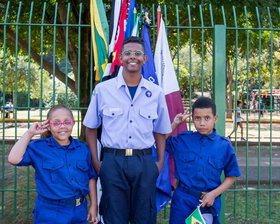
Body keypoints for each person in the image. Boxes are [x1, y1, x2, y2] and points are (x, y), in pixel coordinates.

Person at [83, 36, 172, 224]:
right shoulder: (103, 90)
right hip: (112, 162)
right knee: (114, 215)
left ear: (145, 59)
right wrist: (96, 161)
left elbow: (160, 131)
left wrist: (160, 162)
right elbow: (90, 127)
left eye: (138, 53)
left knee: (144, 217)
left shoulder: (156, 93)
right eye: (128, 53)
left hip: (144, 162)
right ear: (120, 58)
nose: (133, 57)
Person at [8, 105, 99, 224]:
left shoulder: (83, 149)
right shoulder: (39, 147)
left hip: (79, 211)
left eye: (67, 122)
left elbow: (90, 177)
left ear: (73, 123)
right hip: (50, 212)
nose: (62, 126)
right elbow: (13, 159)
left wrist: (93, 205)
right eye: (56, 123)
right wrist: (30, 133)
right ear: (49, 126)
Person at [165, 97, 241, 224]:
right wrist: (175, 124)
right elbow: (161, 140)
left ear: (215, 118)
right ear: (193, 118)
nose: (202, 123)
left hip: (208, 202)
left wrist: (214, 194)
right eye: (197, 118)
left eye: (207, 118)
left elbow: (231, 176)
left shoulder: (224, 145)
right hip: (182, 200)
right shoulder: (183, 140)